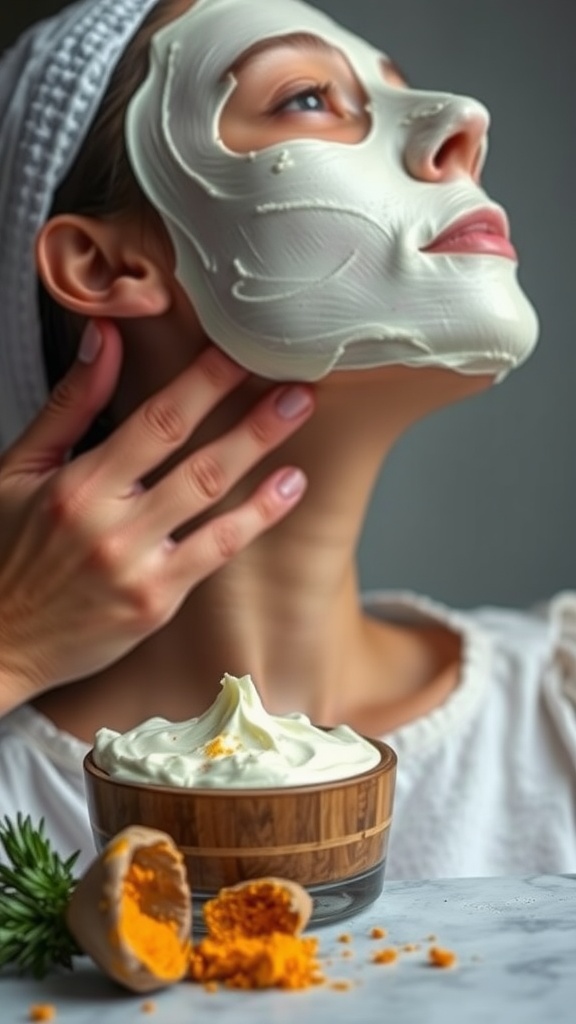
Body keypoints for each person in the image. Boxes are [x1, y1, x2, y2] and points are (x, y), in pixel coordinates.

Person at [0, 0, 574, 879]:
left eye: (398, 90)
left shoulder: (558, 710)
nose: (462, 121)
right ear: (107, 267)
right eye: (309, 97)